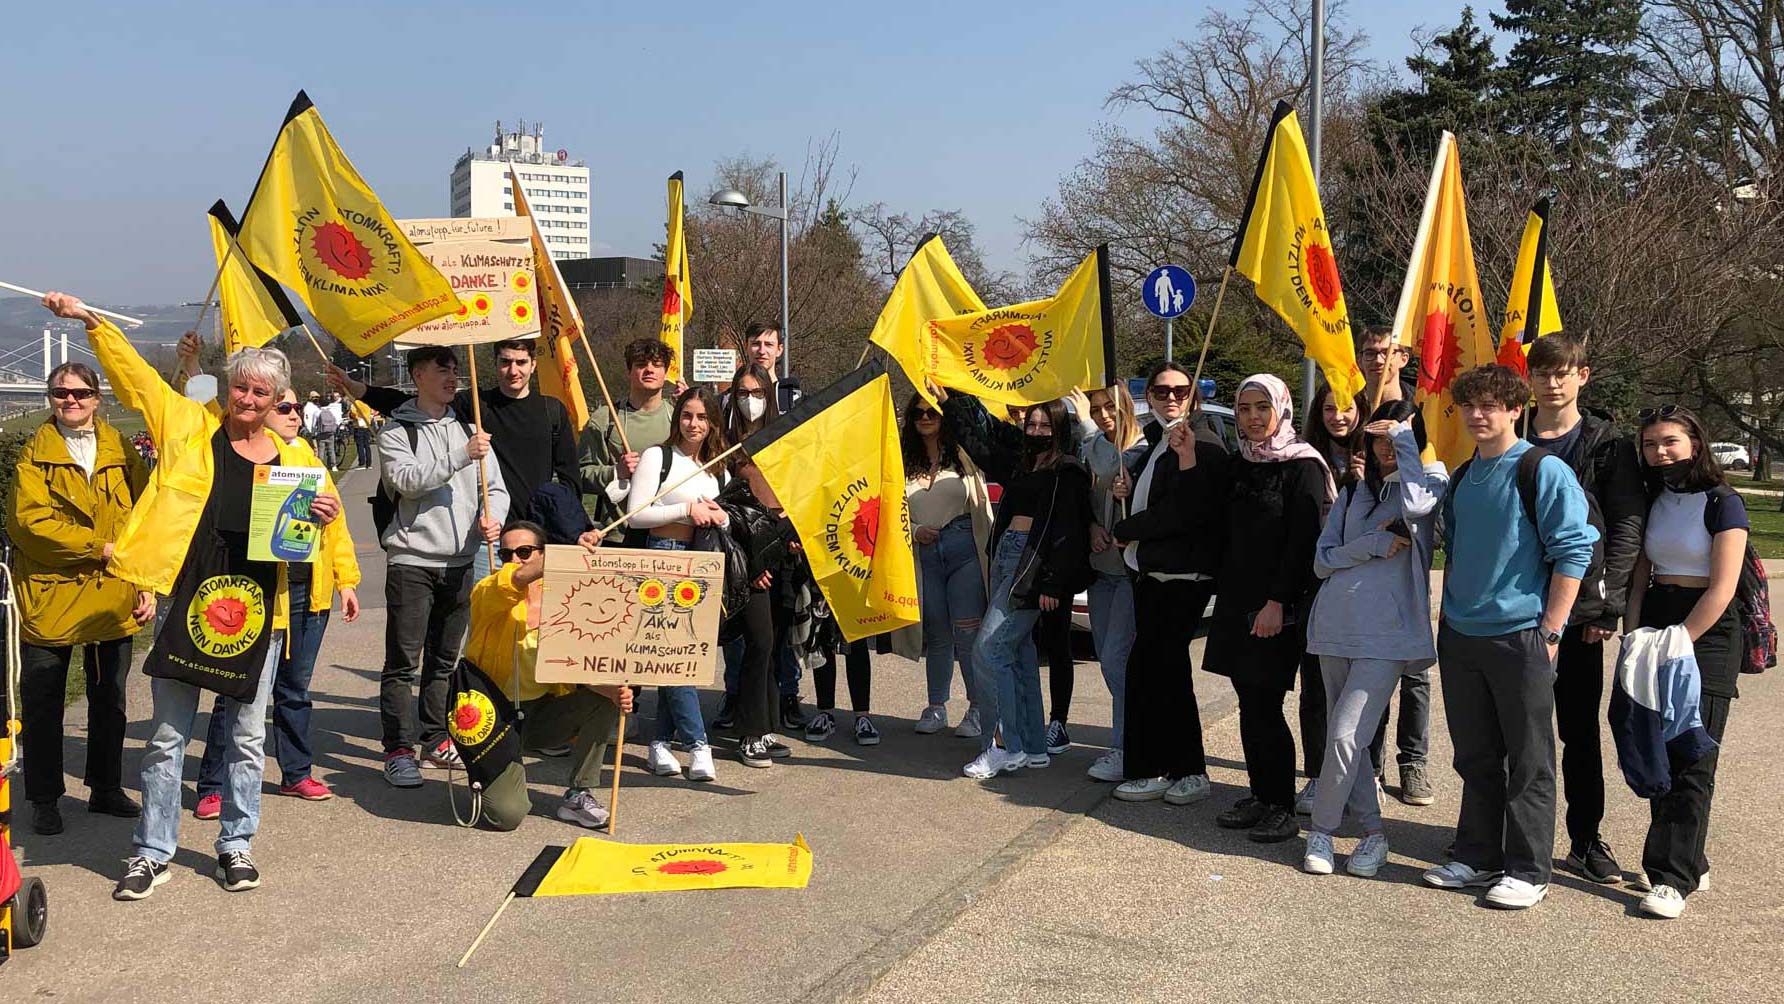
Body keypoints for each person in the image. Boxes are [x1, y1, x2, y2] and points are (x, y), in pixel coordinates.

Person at [44, 293, 342, 901]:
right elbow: (137, 379)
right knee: (168, 737)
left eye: (264, 394)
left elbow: (307, 536)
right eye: (242, 389)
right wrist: (90, 320)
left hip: (261, 610)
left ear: (279, 399)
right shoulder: (186, 429)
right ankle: (152, 852)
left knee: (247, 737)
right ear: (227, 388)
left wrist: (326, 515)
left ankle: (237, 844)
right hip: (188, 604)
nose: (251, 401)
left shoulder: (295, 458)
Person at [1421, 364, 1596, 910]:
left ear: (1515, 409)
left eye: (1491, 405)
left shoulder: (1540, 470)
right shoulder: (1461, 475)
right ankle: (1477, 854)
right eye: (1470, 405)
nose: (1478, 415)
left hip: (1520, 635)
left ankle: (1527, 868)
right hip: (1462, 635)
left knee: (1529, 758)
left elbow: (1575, 550)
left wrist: (1551, 630)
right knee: (1475, 755)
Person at [193, 386, 361, 813]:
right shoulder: (240, 456)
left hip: (309, 589)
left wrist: (346, 580)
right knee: (237, 687)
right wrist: (193, 371)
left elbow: (336, 527)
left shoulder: (309, 459)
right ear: (263, 412)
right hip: (262, 588)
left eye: (297, 408)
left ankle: (296, 773)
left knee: (295, 689)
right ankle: (212, 783)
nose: (294, 415)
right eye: (284, 407)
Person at [1301, 401, 1449, 876]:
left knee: (1344, 735)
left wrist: (1405, 440)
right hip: (1334, 627)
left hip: (1386, 636)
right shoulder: (1353, 492)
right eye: (1378, 437)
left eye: (1396, 437)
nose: (1385, 447)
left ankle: (1321, 832)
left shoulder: (1430, 481)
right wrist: (1370, 546)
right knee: (1353, 741)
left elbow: (1418, 506)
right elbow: (1323, 561)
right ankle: (1372, 834)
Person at [1523, 332, 1647, 884]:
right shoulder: (1509, 431)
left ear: (1582, 376)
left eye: (1562, 372)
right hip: (1514, 605)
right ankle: (1511, 833)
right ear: (1528, 378)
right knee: (1516, 729)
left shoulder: (1606, 444)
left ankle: (1585, 838)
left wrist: (1606, 606)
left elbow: (1625, 527)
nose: (1552, 382)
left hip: (1578, 610)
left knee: (1577, 728)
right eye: (1542, 372)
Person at [8, 360, 150, 835]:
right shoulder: (35, 454)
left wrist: (145, 580)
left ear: (97, 397)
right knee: (44, 701)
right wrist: (100, 548)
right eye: (60, 393)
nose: (70, 401)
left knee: (110, 698)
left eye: (80, 393)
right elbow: (30, 526)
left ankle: (106, 788)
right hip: (52, 594)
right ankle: (44, 797)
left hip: (113, 592)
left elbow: (146, 514)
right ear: (49, 399)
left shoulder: (120, 448)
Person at [1624, 405, 1749, 919]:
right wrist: (1634, 632)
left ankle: (1671, 877)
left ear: (1695, 442)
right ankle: (1688, 858)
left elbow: (1723, 587)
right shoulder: (1656, 497)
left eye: (1670, 441)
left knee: (1693, 753)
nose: (1660, 452)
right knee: (1659, 746)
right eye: (1651, 444)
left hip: (1709, 629)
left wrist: (1682, 639)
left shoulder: (1725, 502)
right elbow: (1640, 574)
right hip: (1658, 616)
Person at [1203, 374, 1333, 843]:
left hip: (1278, 605)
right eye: (1244, 409)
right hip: (1238, 600)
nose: (1254, 418)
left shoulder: (1303, 466)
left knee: (1267, 701)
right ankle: (1260, 793)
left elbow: (1303, 543)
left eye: (1263, 407)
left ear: (1282, 409)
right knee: (1249, 701)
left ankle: (1281, 804)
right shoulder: (1242, 464)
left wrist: (1277, 602)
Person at [376, 345, 509, 789]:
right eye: (442, 370)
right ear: (417, 376)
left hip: (462, 560)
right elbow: (407, 482)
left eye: (455, 370)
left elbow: (496, 488)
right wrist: (460, 455)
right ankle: (398, 749)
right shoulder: (397, 431)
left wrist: (495, 519)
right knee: (402, 662)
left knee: (444, 660)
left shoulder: (470, 430)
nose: (453, 377)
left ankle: (435, 738)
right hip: (412, 561)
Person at [940, 394, 1093, 779]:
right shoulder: (1022, 465)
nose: (1037, 431)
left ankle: (1003, 745)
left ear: (1059, 429)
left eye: (1045, 425)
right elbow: (978, 443)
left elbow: (1068, 532)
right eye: (1032, 424)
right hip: (1007, 556)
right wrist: (953, 400)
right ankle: (1032, 746)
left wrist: (1054, 582)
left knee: (988, 650)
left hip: (1032, 567)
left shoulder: (1068, 471)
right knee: (1018, 654)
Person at [1108, 364, 1228, 800]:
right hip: (1152, 575)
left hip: (1183, 576)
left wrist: (1129, 529)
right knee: (1149, 670)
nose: (1171, 397)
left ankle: (1188, 769)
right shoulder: (1159, 441)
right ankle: (1153, 764)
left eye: (1181, 390)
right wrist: (1129, 491)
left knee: (1165, 671)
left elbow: (1188, 511)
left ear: (1193, 395)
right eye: (1161, 391)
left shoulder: (1205, 442)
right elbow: (1159, 498)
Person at [471, 521, 632, 830]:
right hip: (496, 721)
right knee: (506, 815)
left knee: (609, 695)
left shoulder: (564, 597)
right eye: (506, 553)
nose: (513, 560)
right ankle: (486, 774)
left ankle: (579, 792)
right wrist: (567, 553)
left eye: (524, 551)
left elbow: (578, 662)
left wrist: (612, 690)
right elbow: (514, 579)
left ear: (542, 553)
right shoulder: (487, 592)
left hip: (543, 713)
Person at [337, 338, 580, 523]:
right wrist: (356, 387)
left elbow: (570, 475)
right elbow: (408, 402)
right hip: (487, 529)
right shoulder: (475, 404)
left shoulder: (552, 410)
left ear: (533, 364)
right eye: (505, 362)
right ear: (495, 363)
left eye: (521, 362)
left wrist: (570, 523)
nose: (513, 371)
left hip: (537, 528)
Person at [628, 385, 730, 782]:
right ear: (677, 418)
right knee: (673, 653)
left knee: (683, 653)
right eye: (687, 415)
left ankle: (659, 742)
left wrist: (719, 516)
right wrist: (686, 508)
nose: (694, 424)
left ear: (712, 424)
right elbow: (637, 514)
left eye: (702, 417)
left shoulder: (715, 465)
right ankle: (698, 742)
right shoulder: (658, 456)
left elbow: (722, 514)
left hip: (702, 560)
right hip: (663, 555)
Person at [902, 393, 993, 739]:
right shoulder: (902, 461)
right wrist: (913, 531)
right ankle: (936, 705)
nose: (925, 418)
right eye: (918, 413)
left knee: (968, 633)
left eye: (933, 413)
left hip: (963, 547)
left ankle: (977, 707)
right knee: (937, 634)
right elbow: (893, 510)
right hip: (923, 551)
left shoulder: (964, 458)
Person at [1293, 382, 1364, 813]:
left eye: (1346, 407)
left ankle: (1366, 773)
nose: (1338, 416)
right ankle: (1317, 775)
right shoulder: (1305, 458)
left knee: (1364, 688)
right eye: (1328, 408)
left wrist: (1364, 482)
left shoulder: (1377, 456)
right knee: (1315, 687)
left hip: (1363, 588)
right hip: (1315, 584)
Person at [1071, 383, 1144, 781]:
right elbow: (1088, 496)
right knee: (1108, 660)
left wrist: (1083, 424)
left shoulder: (1139, 449)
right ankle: (1134, 738)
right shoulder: (1095, 450)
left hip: (1130, 576)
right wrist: (1092, 526)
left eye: (1110, 407)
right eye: (1095, 410)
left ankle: (1126, 747)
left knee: (1119, 661)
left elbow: (1110, 466)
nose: (1103, 416)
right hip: (1100, 573)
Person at [581, 337, 676, 529]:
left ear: (665, 373)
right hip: (617, 533)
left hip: (667, 535)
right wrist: (615, 472)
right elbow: (580, 474)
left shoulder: (679, 419)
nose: (649, 370)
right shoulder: (604, 419)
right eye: (641, 365)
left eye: (657, 365)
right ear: (629, 371)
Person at [744, 321, 801, 414]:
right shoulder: (729, 401)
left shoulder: (794, 400)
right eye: (756, 344)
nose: (762, 351)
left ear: (779, 350)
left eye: (768, 344)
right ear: (746, 347)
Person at [350, 395, 375, 468]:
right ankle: (369, 462)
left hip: (359, 425)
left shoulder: (356, 403)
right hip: (367, 425)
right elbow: (371, 412)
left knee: (360, 444)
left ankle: (362, 461)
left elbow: (353, 412)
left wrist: (357, 417)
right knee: (367, 445)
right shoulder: (367, 403)